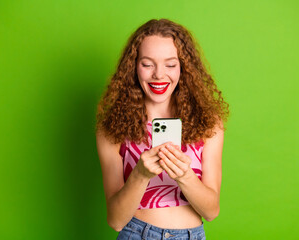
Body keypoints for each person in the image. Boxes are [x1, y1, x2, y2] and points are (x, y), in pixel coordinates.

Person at [96, 18, 229, 240]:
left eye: (170, 64)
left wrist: (184, 175)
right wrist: (141, 174)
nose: (159, 74)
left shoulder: (209, 124)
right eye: (147, 64)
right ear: (133, 66)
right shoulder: (112, 128)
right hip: (136, 233)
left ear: (183, 68)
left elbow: (211, 211)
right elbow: (116, 221)